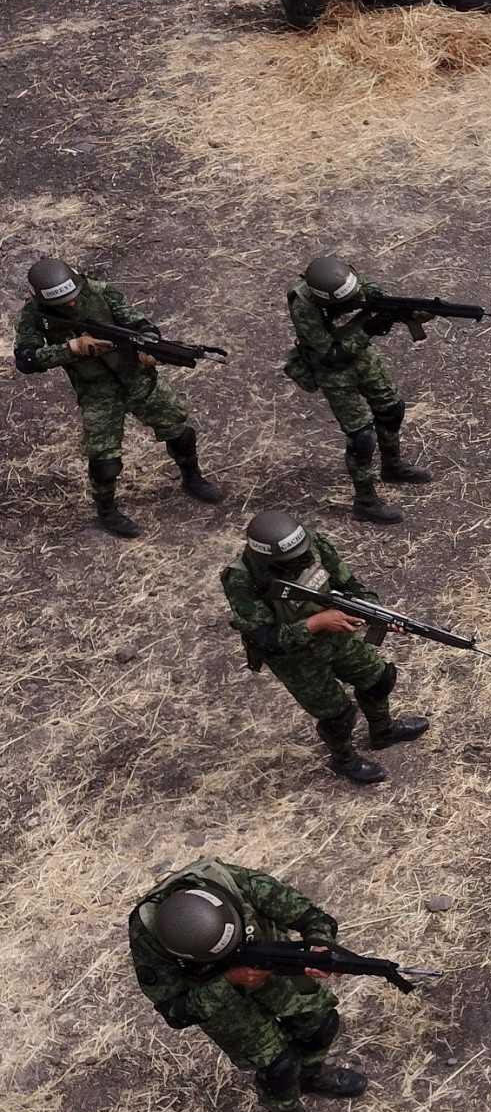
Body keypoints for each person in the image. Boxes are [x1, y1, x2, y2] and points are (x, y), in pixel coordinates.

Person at [128, 858, 366, 1112]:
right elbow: (175, 1011)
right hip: (218, 997)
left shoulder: (234, 883)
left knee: (320, 1023)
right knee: (277, 1066)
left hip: (271, 961)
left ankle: (312, 1075)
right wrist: (228, 981)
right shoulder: (148, 936)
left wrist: (319, 946)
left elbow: (309, 916)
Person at [12, 257, 222, 537]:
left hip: (136, 379)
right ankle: (107, 512)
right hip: (97, 392)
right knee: (105, 461)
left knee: (179, 431)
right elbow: (26, 360)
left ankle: (192, 477)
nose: (72, 305)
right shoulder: (33, 317)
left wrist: (149, 349)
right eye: (63, 304)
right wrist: (70, 349)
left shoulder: (100, 291)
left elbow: (139, 324)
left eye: (73, 298)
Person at [221, 511, 429, 783]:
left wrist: (374, 613)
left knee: (378, 678)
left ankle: (383, 731)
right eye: (290, 561)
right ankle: (344, 760)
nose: (302, 562)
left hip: (335, 632)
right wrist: (316, 623)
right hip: (295, 657)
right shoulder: (241, 580)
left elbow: (349, 584)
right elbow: (266, 640)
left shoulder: (312, 545)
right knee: (337, 715)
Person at [282, 254, 433, 525]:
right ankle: (365, 501)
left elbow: (368, 289)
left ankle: (392, 466)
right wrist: (369, 329)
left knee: (391, 410)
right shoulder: (303, 307)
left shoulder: (342, 278)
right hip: (334, 372)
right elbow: (330, 353)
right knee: (362, 438)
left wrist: (393, 307)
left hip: (362, 358)